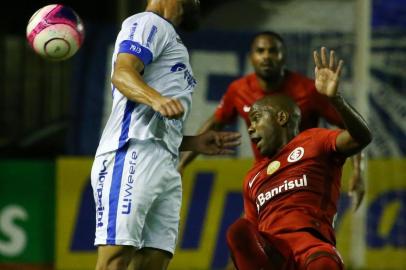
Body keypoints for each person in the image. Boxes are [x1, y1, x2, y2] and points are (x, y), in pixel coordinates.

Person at [90, 1, 240, 270]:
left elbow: (154, 120)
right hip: (132, 152)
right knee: (115, 258)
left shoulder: (171, 39)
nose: (196, 4)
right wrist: (156, 99)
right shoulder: (147, 23)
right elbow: (122, 73)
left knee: (155, 260)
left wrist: (191, 142)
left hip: (165, 160)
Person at [178, 31, 365, 210]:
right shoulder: (239, 89)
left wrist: (358, 170)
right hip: (264, 178)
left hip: (302, 178)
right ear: (251, 57)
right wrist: (182, 164)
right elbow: (215, 123)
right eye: (260, 51)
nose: (267, 56)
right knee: (248, 236)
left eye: (273, 51)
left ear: (284, 56)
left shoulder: (308, 90)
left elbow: (351, 129)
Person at [226, 47, 372, 270]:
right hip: (276, 257)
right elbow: (252, 241)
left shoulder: (314, 141)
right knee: (238, 231)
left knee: (323, 261)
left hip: (312, 248)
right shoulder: (253, 178)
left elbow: (361, 137)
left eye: (256, 119)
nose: (250, 128)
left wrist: (336, 100)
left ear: (281, 117)